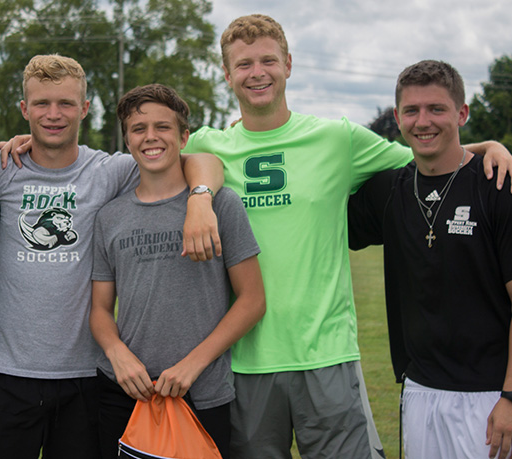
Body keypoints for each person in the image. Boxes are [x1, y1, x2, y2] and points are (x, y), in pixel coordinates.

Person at [0, 54, 224, 458]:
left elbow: (201, 161)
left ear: (84, 109)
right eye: (42, 104)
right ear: (24, 110)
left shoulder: (109, 171)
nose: (54, 114)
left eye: (66, 103)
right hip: (2, 372)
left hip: (84, 374)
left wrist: (201, 199)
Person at [180, 14, 512, 459]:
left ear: (289, 65)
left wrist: (490, 147)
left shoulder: (337, 138)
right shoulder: (205, 144)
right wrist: (200, 197)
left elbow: (428, 152)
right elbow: (156, 168)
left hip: (328, 356)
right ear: (226, 74)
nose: (257, 73)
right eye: (243, 65)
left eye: (268, 61)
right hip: (244, 360)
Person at [89, 83, 266, 459]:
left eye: (163, 127)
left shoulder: (221, 204)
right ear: (127, 140)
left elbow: (252, 301)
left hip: (201, 392)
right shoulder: (109, 217)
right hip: (125, 392)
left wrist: (192, 365)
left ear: (184, 136)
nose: (150, 137)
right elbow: (101, 309)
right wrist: (116, 351)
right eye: (139, 129)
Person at [348, 60, 512, 459]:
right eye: (411, 111)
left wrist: (510, 396)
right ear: (398, 118)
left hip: (489, 397)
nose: (423, 121)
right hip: (419, 391)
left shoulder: (498, 186)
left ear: (461, 113)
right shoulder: (391, 189)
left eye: (436, 109)